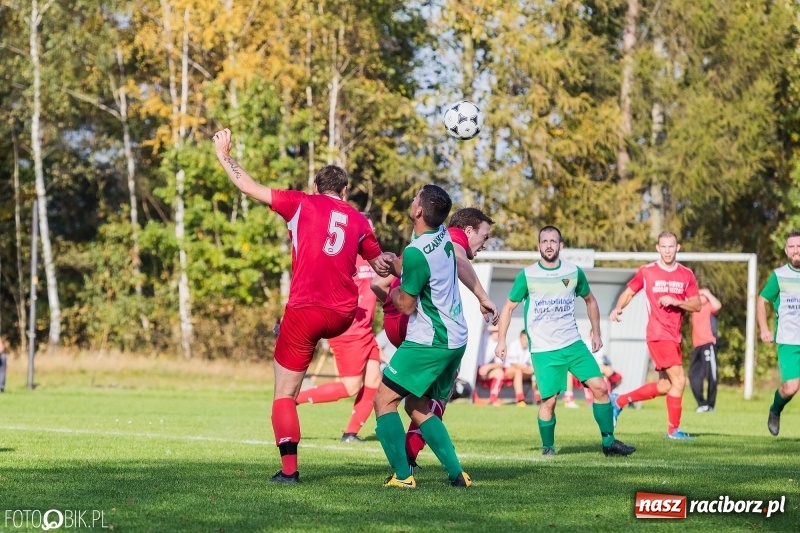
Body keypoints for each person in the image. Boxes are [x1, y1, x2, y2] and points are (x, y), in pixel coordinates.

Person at [213, 128, 394, 483]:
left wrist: (224, 155)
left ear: (316, 188)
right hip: (343, 315)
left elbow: (248, 187)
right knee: (356, 380)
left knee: (284, 393)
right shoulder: (358, 220)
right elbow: (381, 267)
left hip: (306, 310)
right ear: (344, 192)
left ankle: (289, 471)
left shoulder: (300, 203)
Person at [371, 206, 498, 467]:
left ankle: (414, 466)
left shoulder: (427, 240)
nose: (485, 244)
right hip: (425, 330)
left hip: (407, 325)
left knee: (415, 402)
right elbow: (459, 260)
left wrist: (393, 276)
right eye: (484, 237)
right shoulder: (450, 237)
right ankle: (408, 465)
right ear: (468, 230)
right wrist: (483, 297)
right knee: (428, 399)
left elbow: (378, 283)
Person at [495, 226, 635, 457]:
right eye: (544, 241)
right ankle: (548, 448)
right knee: (549, 402)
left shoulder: (573, 272)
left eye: (553, 241)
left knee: (600, 388)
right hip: (544, 349)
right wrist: (501, 340)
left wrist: (597, 333)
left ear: (561, 246)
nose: (549, 245)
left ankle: (609, 443)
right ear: (538, 246)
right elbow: (509, 307)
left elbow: (590, 300)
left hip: (573, 344)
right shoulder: (528, 275)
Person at [373, 184, 473, 488]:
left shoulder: (416, 251)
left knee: (383, 401)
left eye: (415, 196)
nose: (412, 198)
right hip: (456, 338)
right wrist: (400, 266)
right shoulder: (442, 234)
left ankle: (403, 477)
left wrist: (395, 274)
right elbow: (425, 271)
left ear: (418, 211)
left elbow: (405, 304)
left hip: (430, 340)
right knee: (416, 406)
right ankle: (458, 475)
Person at [609, 230, 701, 440]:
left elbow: (697, 305)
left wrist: (677, 301)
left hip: (674, 336)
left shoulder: (686, 274)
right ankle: (673, 430)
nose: (667, 251)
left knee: (666, 386)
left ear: (677, 248)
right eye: (664, 247)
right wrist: (618, 307)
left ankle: (619, 400)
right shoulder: (647, 271)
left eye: (671, 246)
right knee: (679, 381)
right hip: (658, 334)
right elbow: (630, 291)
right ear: (657, 248)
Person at [295, 245, 382, 443]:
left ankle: (350, 433)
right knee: (351, 387)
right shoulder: (345, 257)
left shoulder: (374, 258)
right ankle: (294, 399)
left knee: (374, 382)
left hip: (365, 331)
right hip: (348, 331)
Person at [757, 230, 800, 437]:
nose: (796, 250)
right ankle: (775, 409)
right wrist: (764, 329)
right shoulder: (780, 275)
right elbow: (762, 301)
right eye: (792, 247)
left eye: (799, 246)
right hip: (789, 340)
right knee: (791, 388)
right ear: (786, 250)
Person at [689, 288, 722, 412]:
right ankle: (702, 404)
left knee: (711, 375)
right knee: (693, 375)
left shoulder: (709, 306)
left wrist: (707, 293)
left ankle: (710, 405)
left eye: (701, 295)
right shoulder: (694, 308)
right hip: (697, 345)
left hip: (708, 343)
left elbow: (718, 305)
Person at [504, 329, 535, 407]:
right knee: (518, 371)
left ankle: (537, 398)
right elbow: (514, 364)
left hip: (522, 370)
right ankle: (520, 399)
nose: (526, 342)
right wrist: (528, 369)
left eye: (527, 339)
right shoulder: (513, 345)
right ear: (520, 338)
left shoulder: (529, 348)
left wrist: (531, 370)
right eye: (525, 339)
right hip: (509, 370)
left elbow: (531, 364)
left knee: (536, 373)